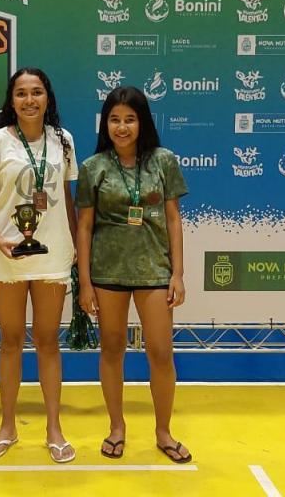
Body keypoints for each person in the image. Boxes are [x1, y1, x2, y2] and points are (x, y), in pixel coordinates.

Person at [75, 86, 192, 463]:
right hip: (107, 271)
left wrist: (178, 273)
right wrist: (85, 282)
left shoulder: (164, 161)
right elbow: (84, 227)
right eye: (114, 119)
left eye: (129, 119)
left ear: (142, 123)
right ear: (105, 124)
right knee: (112, 350)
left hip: (155, 270)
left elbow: (173, 219)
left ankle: (163, 432)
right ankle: (116, 428)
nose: (121, 127)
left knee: (160, 352)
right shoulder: (93, 167)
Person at [0, 67, 79, 463]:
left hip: (53, 255)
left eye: (36, 92)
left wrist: (75, 245)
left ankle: (54, 429)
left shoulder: (64, 140)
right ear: (11, 100)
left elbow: (66, 196)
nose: (29, 100)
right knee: (11, 341)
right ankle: (7, 427)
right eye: (21, 93)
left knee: (48, 342)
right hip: (9, 255)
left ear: (47, 97)